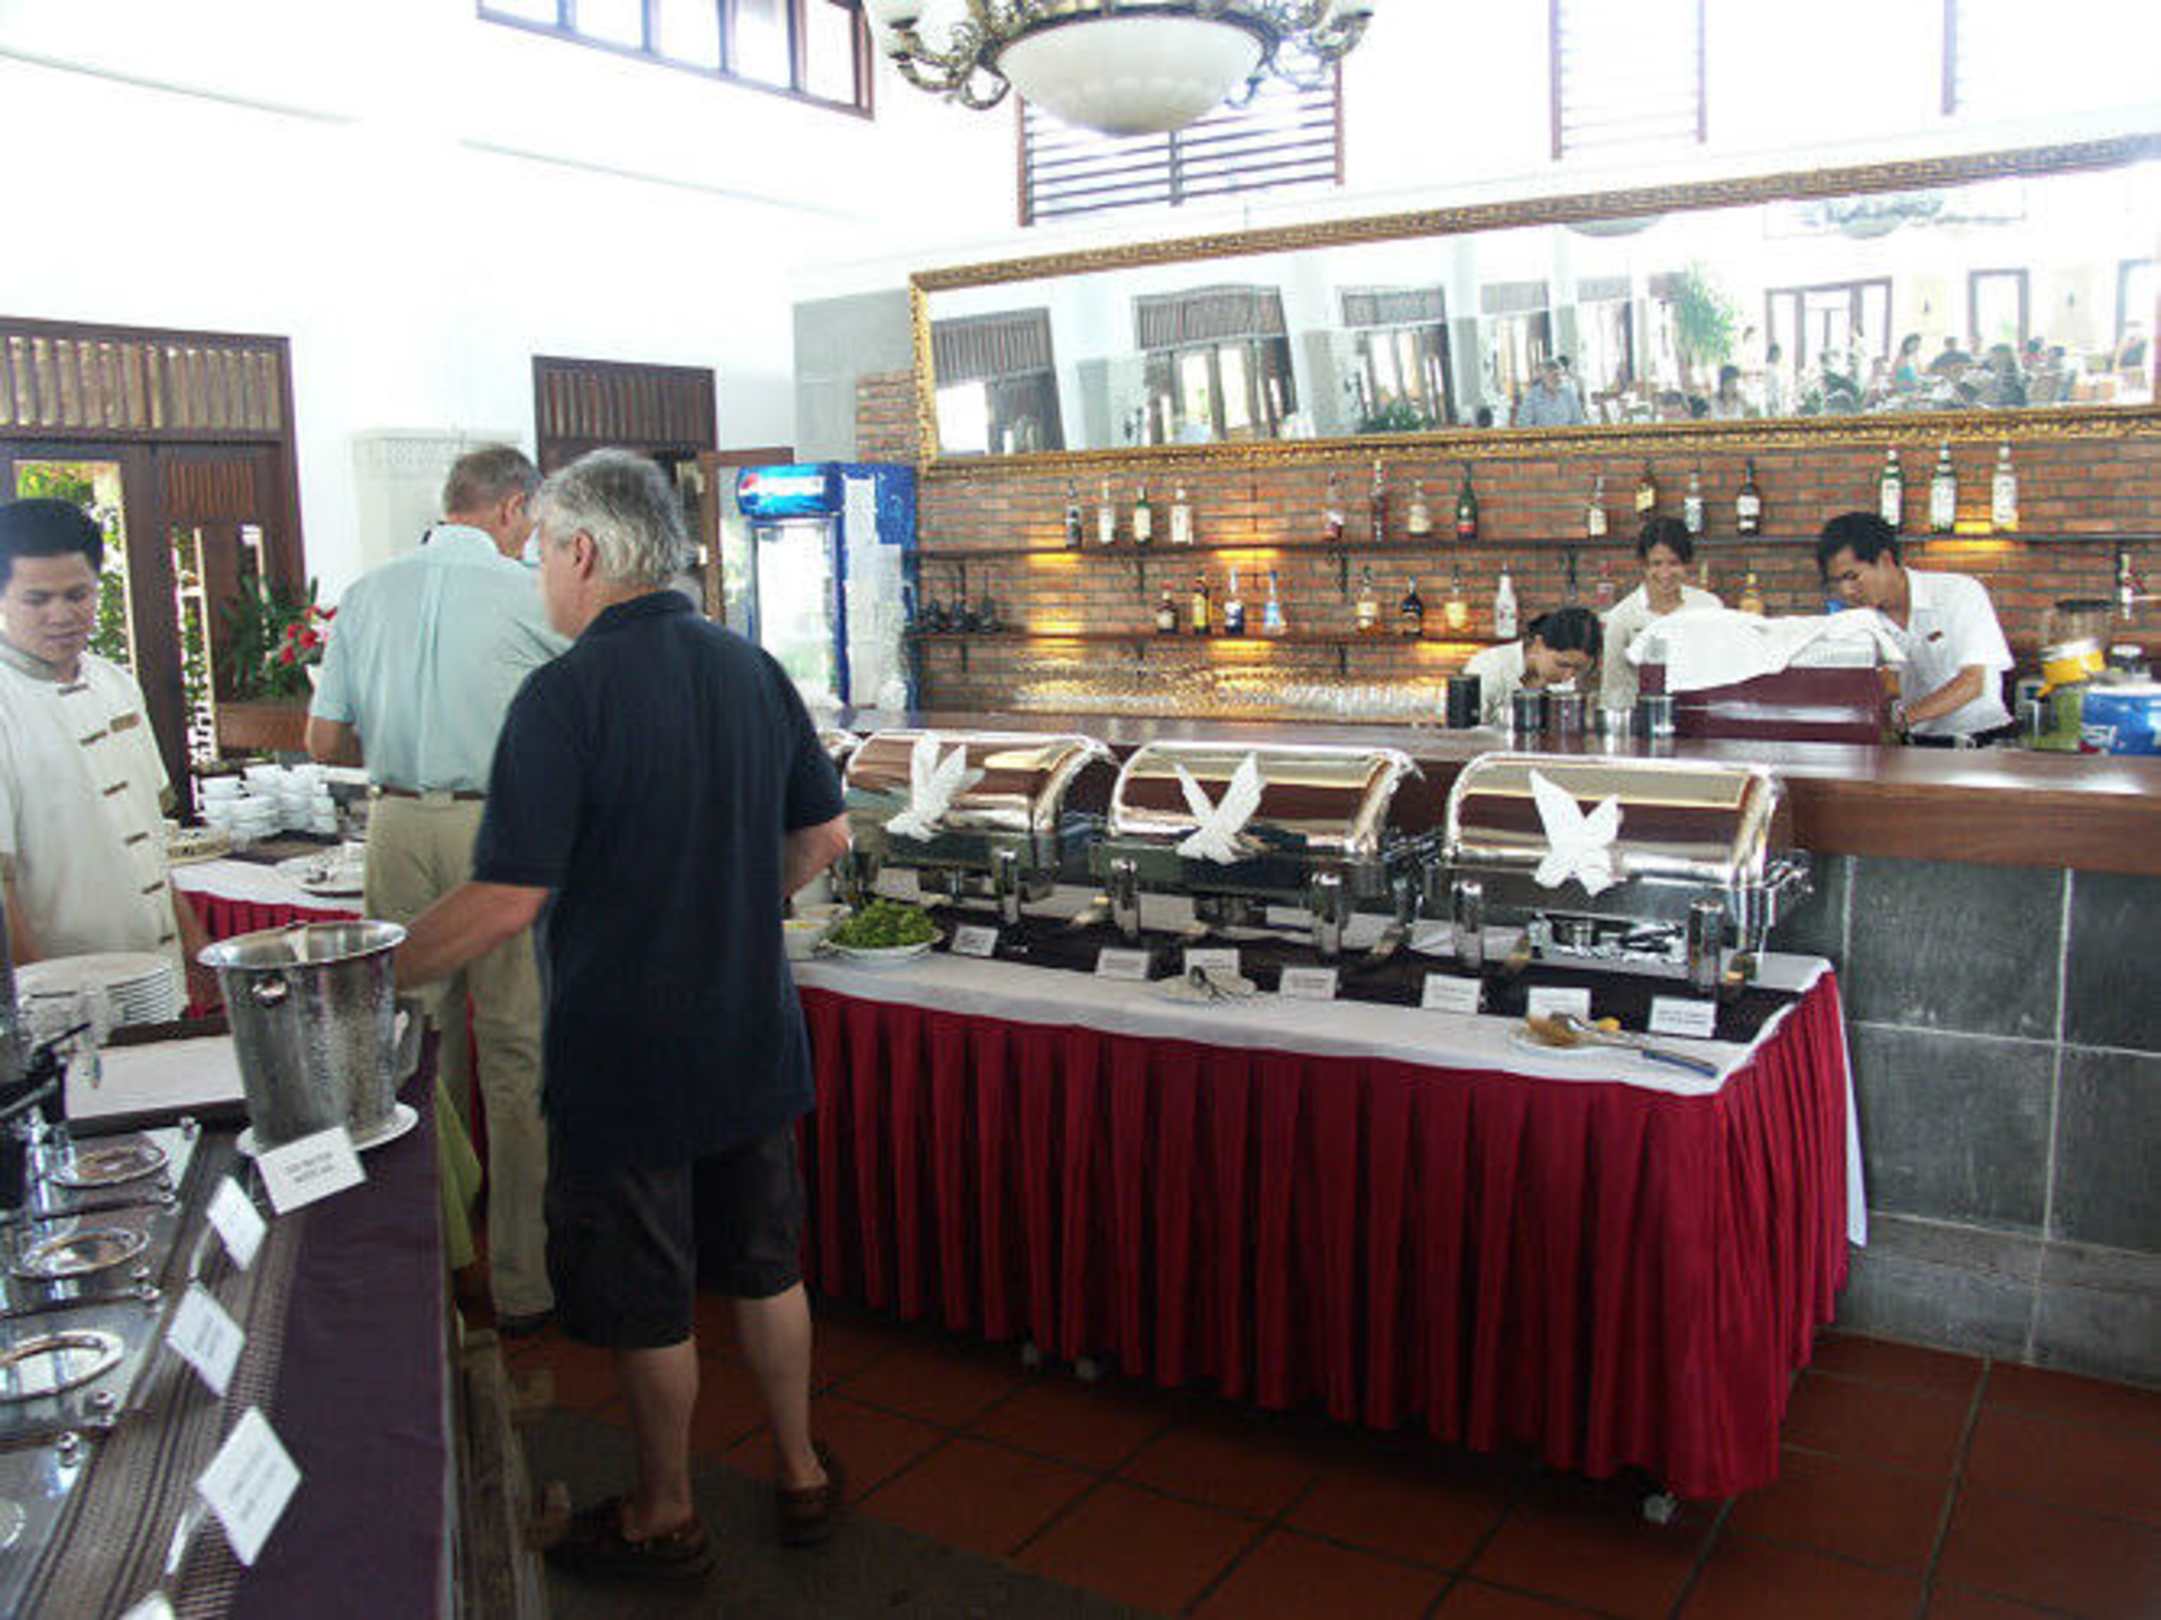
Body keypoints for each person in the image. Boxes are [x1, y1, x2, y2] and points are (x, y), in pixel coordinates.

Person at [394, 449, 853, 1583]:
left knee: (651, 1297)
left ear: (585, 551)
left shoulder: (564, 696)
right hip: (749, 1030)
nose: (541, 575)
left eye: (545, 552)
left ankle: (663, 1512)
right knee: (766, 1263)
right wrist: (728, 903)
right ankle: (801, 1471)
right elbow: (824, 838)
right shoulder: (751, 668)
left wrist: (373, 970)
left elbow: (508, 896)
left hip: (625, 1049)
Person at [306, 446, 569, 1333]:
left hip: (390, 823)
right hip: (497, 829)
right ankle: (525, 1284)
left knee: (412, 1051)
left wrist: (399, 738)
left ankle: (435, 1276)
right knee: (517, 1048)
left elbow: (321, 742)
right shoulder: (527, 592)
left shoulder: (366, 591)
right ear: (512, 507)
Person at [0, 499, 215, 1007]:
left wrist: (194, 948)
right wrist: (42, 1002)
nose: (61, 615)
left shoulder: (116, 683)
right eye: (37, 599)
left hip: (159, 980)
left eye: (78, 595)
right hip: (63, 996)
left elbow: (149, 842)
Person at [1816, 512, 2015, 745]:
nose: (1846, 591)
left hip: (1980, 741)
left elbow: (1973, 682)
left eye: (1852, 577)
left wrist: (1900, 720)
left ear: (1885, 560)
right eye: (1836, 582)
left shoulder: (1959, 593)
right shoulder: (1862, 619)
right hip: (1914, 743)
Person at [1599, 518, 1724, 712]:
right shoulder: (1622, 617)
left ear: (1687, 563)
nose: (1665, 573)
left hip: (1700, 715)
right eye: (1656, 564)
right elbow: (1613, 688)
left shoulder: (1709, 607)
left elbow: (1722, 671)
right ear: (1643, 565)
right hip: (1642, 719)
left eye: (1673, 563)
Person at [1464, 605, 1604, 726]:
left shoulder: (1581, 680)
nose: (1568, 676)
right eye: (1562, 664)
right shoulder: (1490, 667)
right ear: (1538, 644)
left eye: (1578, 669)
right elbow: (1466, 733)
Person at [1515, 358, 1587, 427]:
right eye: (1551, 373)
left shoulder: (1569, 395)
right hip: (1540, 435)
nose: (1556, 378)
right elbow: (1523, 423)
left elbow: (1579, 421)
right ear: (1543, 376)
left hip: (1567, 435)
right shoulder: (1532, 396)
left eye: (1558, 374)